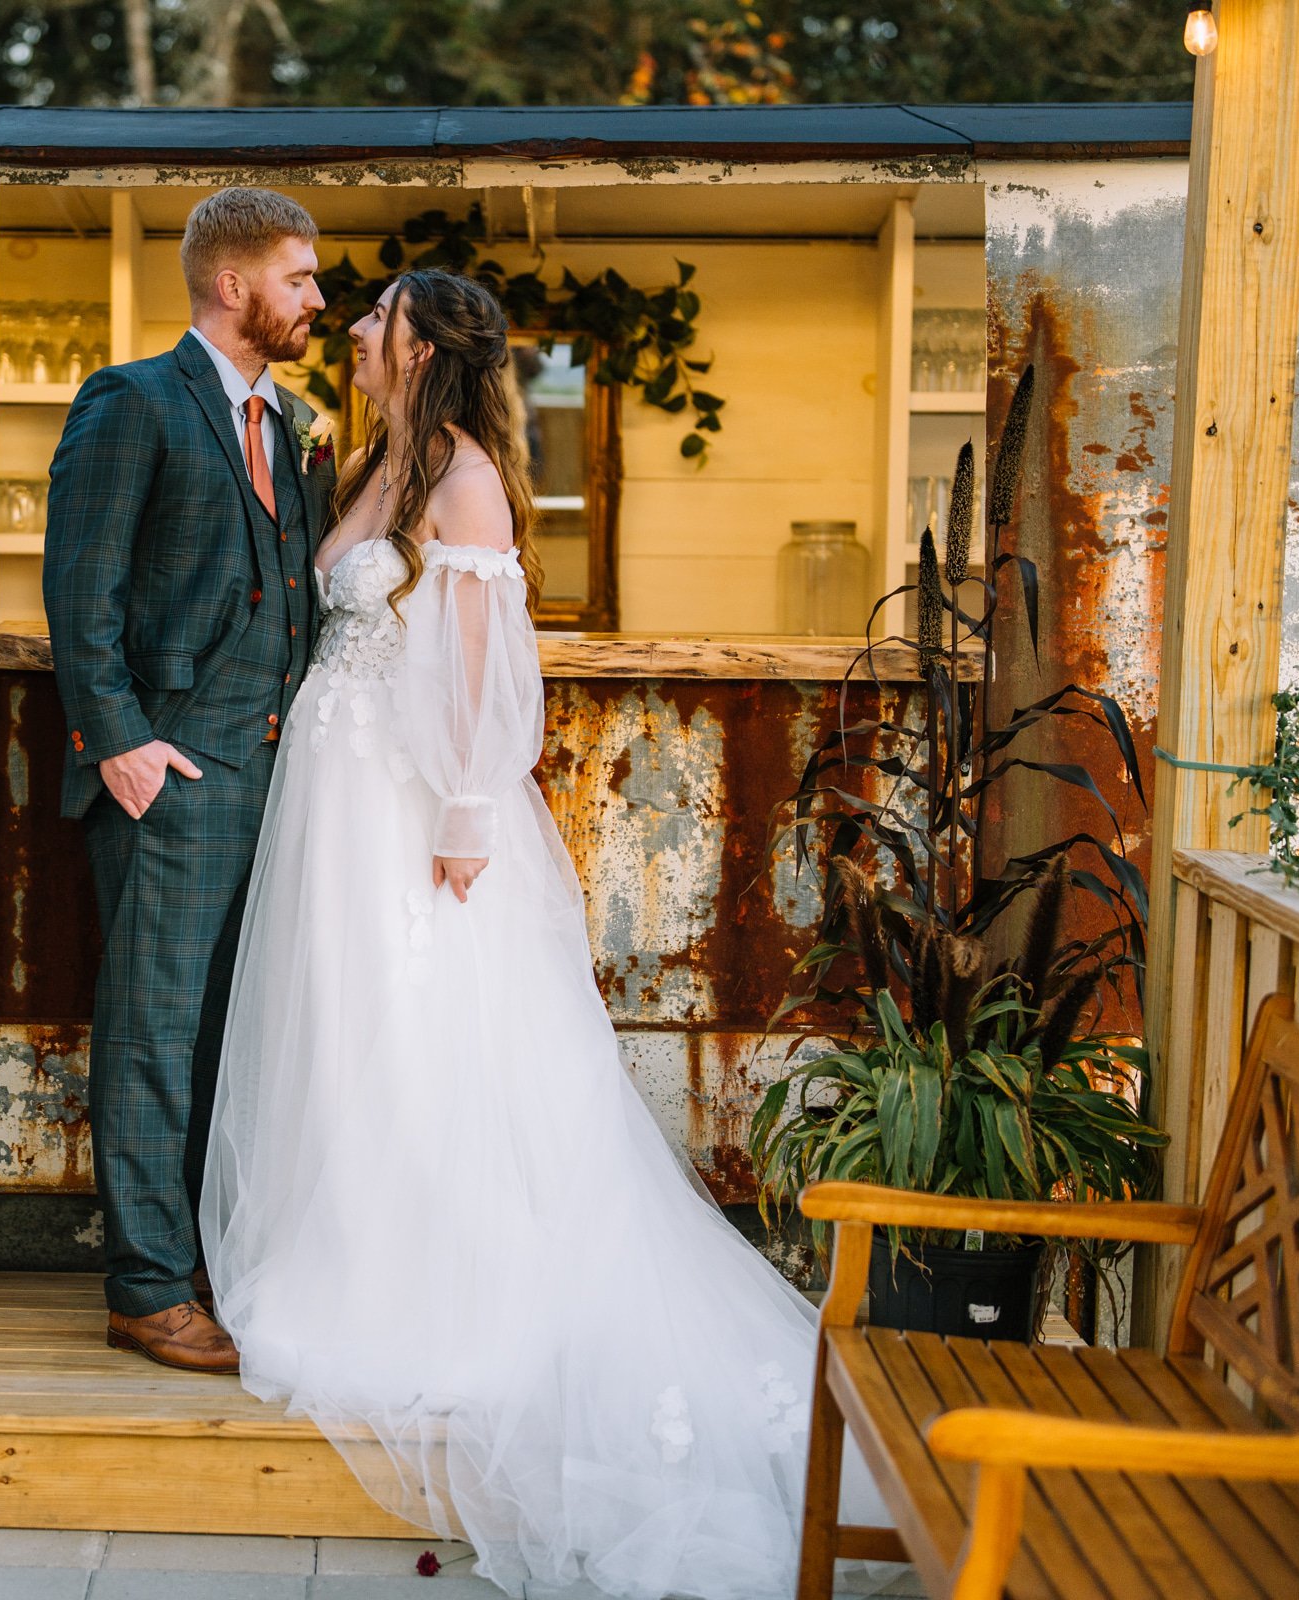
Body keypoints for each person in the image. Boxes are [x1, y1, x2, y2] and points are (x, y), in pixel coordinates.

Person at [200, 268, 885, 1599]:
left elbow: (483, 663)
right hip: (333, 799)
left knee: (426, 1036)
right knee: (345, 1032)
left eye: (375, 316)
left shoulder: (463, 482)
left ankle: (444, 1289)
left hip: (415, 811)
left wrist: (464, 805)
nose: (352, 328)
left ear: (422, 348)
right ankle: (354, 1251)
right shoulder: (375, 461)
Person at [43, 187, 333, 1374]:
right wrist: (121, 743)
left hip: (279, 779)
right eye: (300, 276)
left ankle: (209, 1253)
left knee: (236, 1033)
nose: (318, 298)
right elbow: (82, 583)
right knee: (155, 1035)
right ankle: (146, 1286)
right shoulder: (134, 400)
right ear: (232, 284)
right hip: (171, 773)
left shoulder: (301, 420)